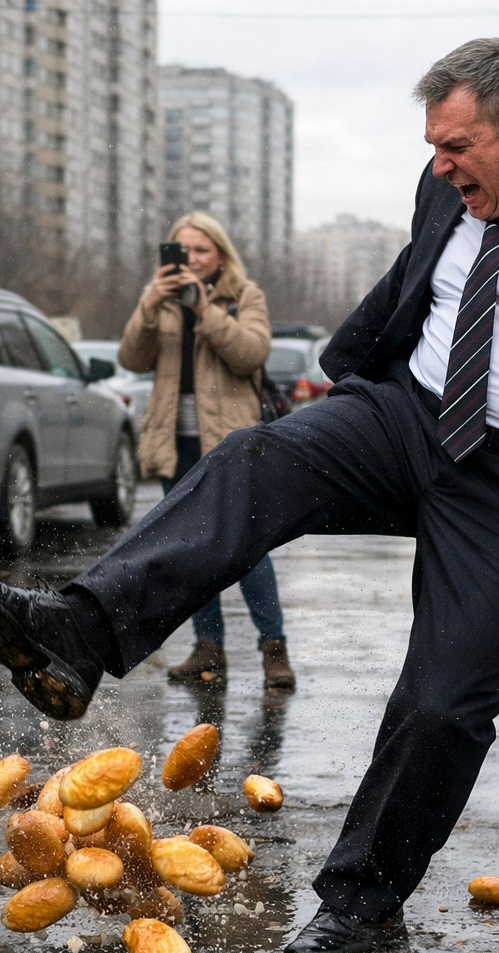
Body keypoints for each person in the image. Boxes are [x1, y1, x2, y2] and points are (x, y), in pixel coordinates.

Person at [0, 38, 499, 953]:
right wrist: (346, 371)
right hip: (409, 419)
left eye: (458, 147)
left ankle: (361, 902)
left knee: (443, 704)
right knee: (256, 457)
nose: (441, 166)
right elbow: (419, 284)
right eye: (433, 147)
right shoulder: (447, 185)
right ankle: (79, 633)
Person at [121, 211, 296, 688]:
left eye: (201, 250)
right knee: (191, 551)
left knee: (248, 546)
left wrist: (204, 310)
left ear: (220, 254)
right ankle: (208, 648)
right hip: (174, 441)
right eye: (184, 250)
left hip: (230, 442)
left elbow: (251, 353)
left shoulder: (243, 295)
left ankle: (274, 648)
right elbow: (132, 358)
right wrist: (149, 304)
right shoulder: (160, 299)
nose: (192, 259)